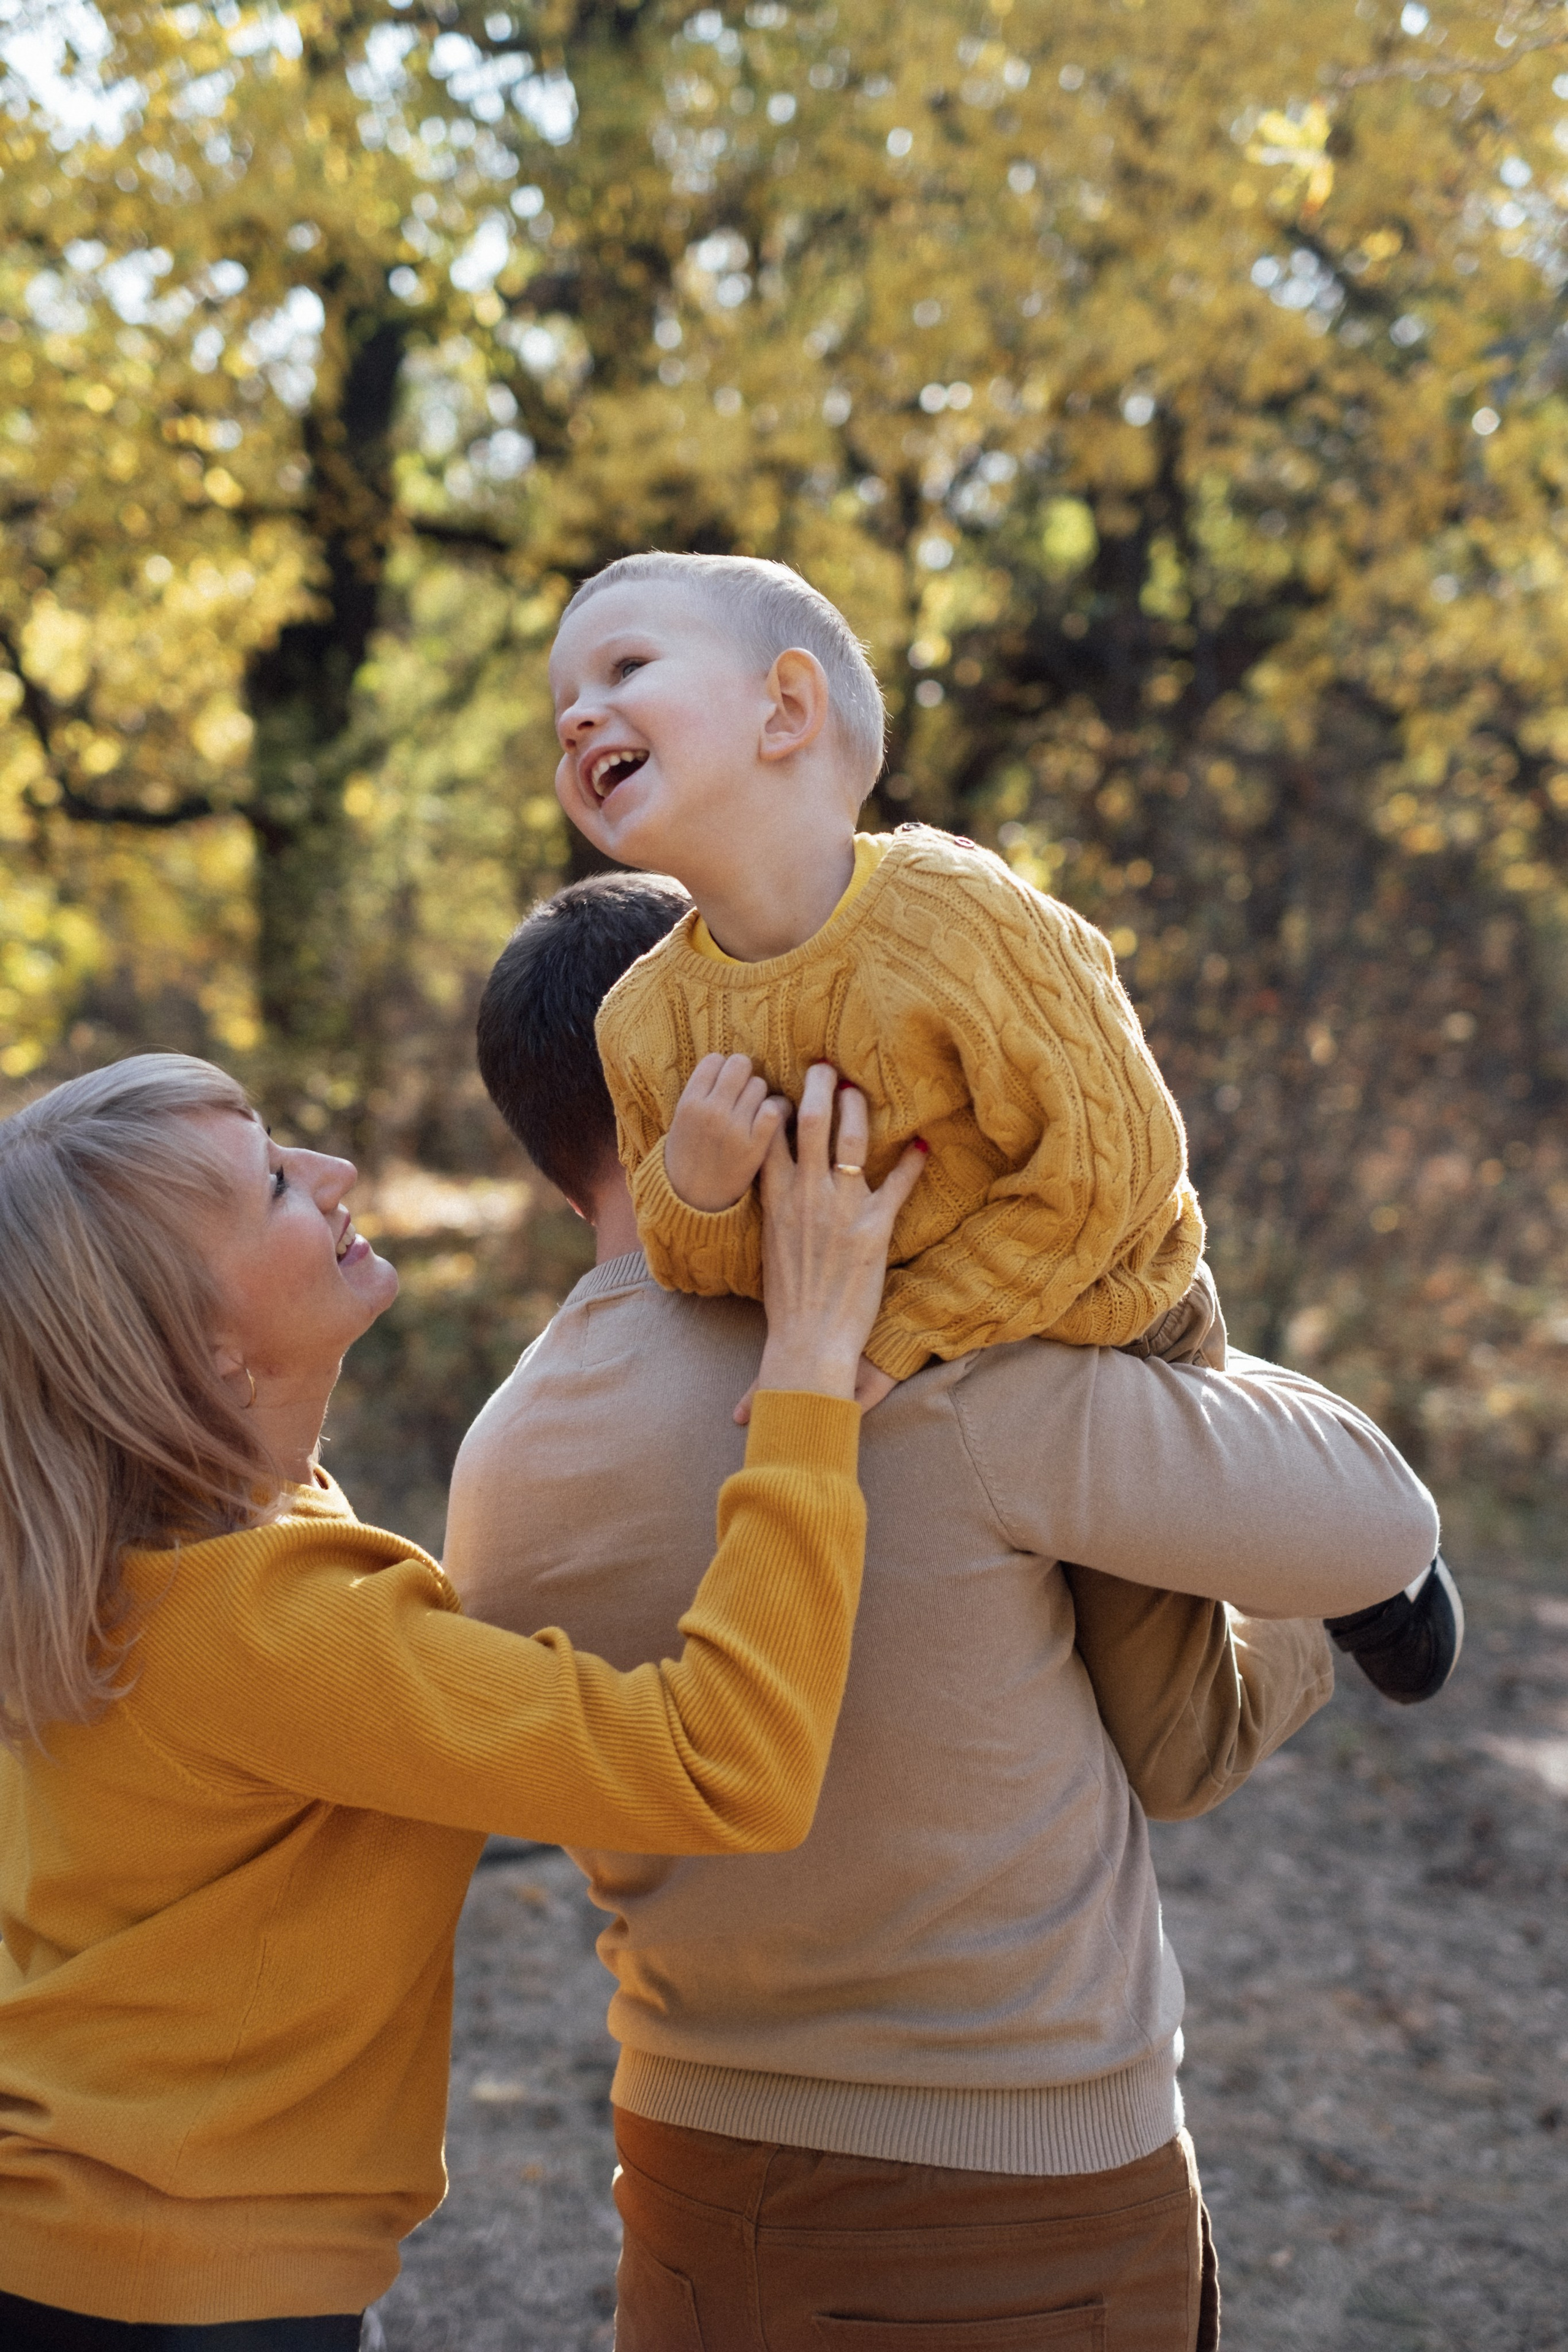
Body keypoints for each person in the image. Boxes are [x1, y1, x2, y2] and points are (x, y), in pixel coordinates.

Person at [446, 873, 1442, 2351]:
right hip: (1014, 2212)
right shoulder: (933, 1378)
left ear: (541, 1148)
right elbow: (1377, 1519)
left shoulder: (502, 1460)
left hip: (686, 2197)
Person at [0, 1050, 919, 2345]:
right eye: (271, 1183)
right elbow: (727, 1767)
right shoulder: (263, 1628)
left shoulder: (116, 1569)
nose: (335, 1177)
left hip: (104, 2250)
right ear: (202, 1347)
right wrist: (810, 1372)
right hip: (174, 2298)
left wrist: (692, 1223)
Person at [549, 549, 1463, 1699]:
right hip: (927, 1395)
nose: (580, 715)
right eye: (561, 709)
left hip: (1106, 1315)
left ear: (785, 709)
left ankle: (1337, 1525)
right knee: (1175, 1762)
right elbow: (709, 1275)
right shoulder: (644, 1022)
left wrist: (896, 1335)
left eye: (624, 667)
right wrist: (701, 1185)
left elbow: (1114, 1171)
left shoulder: (954, 916)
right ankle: (1281, 1607)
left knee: (1232, 1661)